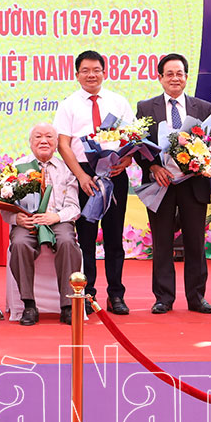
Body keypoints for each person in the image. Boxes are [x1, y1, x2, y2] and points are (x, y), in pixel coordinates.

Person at [138, 53, 211, 314]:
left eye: (179, 73)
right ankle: (163, 297)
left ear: (186, 77)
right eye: (169, 74)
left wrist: (202, 163)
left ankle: (197, 297)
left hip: (194, 184)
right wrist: (153, 167)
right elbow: (138, 146)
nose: (175, 78)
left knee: (195, 242)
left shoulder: (203, 107)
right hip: (160, 183)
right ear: (160, 77)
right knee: (162, 242)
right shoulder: (146, 108)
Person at [55, 50, 132, 314]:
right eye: (85, 71)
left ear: (104, 72)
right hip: (84, 174)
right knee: (86, 239)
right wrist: (81, 176)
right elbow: (63, 145)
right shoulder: (68, 105)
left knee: (114, 238)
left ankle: (116, 295)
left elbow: (133, 138)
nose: (91, 75)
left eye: (96, 70)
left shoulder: (118, 101)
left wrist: (126, 161)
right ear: (77, 75)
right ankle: (87, 295)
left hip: (114, 173)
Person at [6, 124, 83, 326]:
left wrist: (55, 217)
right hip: (28, 221)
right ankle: (29, 305)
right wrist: (16, 219)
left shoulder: (66, 169)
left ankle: (67, 306)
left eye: (49, 137)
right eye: (38, 137)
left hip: (57, 220)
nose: (43, 141)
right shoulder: (17, 168)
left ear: (56, 143)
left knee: (67, 242)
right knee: (19, 243)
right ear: (30, 143)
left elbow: (74, 207)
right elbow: (5, 203)